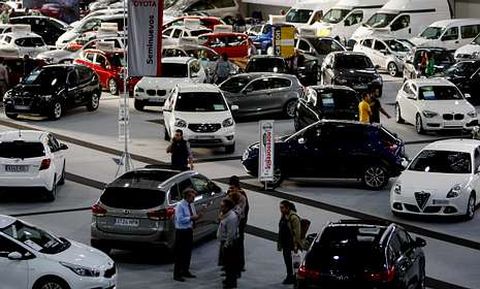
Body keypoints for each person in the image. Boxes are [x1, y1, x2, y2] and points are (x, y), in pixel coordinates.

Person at [173, 188, 203, 282]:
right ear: (187, 196)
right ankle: (177, 274)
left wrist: (197, 217)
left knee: (188, 252)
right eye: (192, 197)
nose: (194, 199)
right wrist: (191, 217)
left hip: (189, 230)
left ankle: (185, 270)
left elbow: (193, 216)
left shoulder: (191, 205)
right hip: (181, 232)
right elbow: (180, 219)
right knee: (180, 254)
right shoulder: (180, 206)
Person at [227, 175, 249, 273]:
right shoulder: (229, 193)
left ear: (237, 186)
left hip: (240, 223)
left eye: (232, 187)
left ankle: (240, 264)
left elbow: (244, 210)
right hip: (231, 223)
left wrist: (242, 223)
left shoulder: (242, 196)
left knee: (239, 243)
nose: (230, 189)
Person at [278, 200, 302, 285]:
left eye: (282, 208)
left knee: (294, 262)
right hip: (285, 243)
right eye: (280, 208)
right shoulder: (284, 215)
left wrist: (295, 245)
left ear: (288, 208)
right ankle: (290, 275)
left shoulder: (293, 217)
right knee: (287, 261)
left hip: (291, 244)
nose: (281, 209)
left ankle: (294, 277)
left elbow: (297, 233)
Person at [217, 198, 240, 289]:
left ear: (227, 207)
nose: (220, 208)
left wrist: (226, 245)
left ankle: (231, 283)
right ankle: (228, 279)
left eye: (222, 206)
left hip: (230, 244)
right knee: (226, 264)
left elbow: (231, 234)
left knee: (230, 264)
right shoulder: (224, 214)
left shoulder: (231, 218)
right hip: (224, 241)